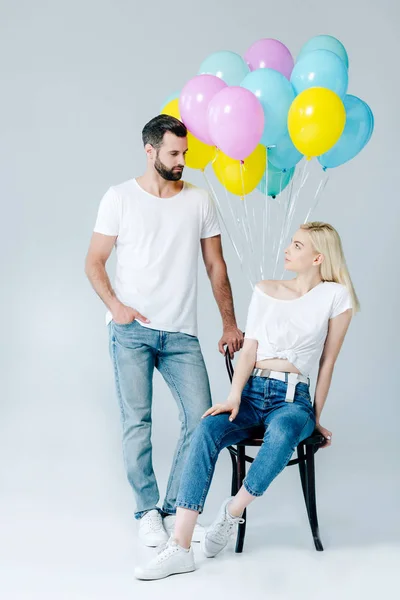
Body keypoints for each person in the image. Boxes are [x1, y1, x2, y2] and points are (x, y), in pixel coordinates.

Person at [134, 221, 359, 580]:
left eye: (298, 246)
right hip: (253, 392)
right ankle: (180, 545)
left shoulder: (336, 296)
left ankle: (231, 512)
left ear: (318, 257)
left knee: (284, 432)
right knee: (207, 427)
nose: (288, 249)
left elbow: (326, 362)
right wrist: (233, 397)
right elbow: (250, 349)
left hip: (292, 399)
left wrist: (314, 418)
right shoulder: (265, 289)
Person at [85, 115, 243, 547]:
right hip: (131, 331)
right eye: (173, 154)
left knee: (201, 417)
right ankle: (146, 511)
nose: (181, 162)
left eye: (185, 154)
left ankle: (174, 509)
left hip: (180, 333)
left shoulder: (199, 200)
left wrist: (229, 322)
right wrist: (116, 307)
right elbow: (94, 261)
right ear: (149, 150)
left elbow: (215, 266)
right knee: (138, 422)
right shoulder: (119, 198)